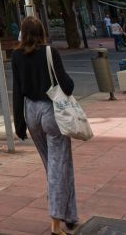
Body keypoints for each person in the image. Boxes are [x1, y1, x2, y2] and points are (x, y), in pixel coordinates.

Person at [12, 16, 78, 234]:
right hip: (52, 112)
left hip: (31, 113)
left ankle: (70, 215)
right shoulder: (50, 53)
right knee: (59, 165)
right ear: (41, 32)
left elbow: (17, 90)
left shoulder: (16, 56)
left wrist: (19, 125)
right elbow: (67, 86)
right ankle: (56, 221)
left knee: (53, 165)